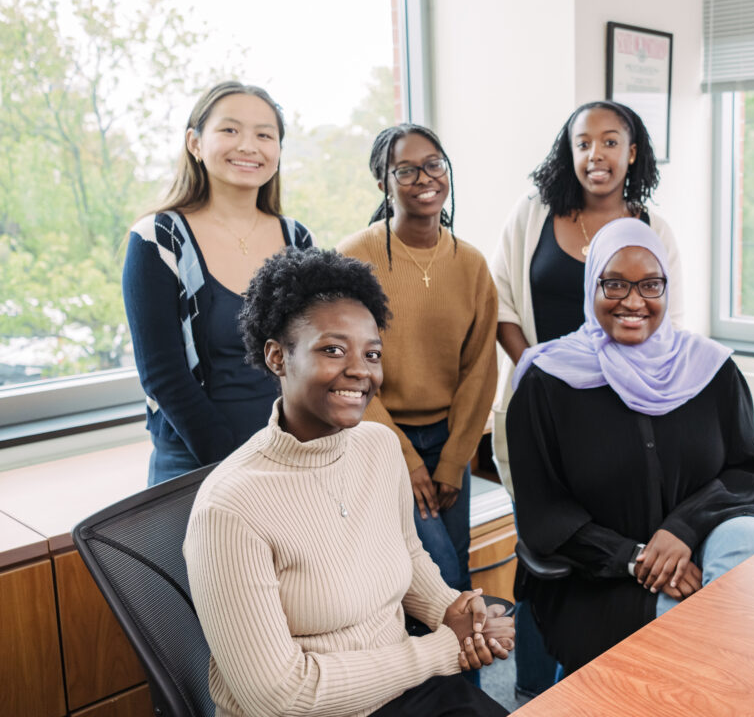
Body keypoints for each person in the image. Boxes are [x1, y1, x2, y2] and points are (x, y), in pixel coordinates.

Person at [183, 247, 511, 717]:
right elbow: (280, 697)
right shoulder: (230, 508)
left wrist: (452, 612)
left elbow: (408, 555)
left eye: (372, 353)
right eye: (333, 349)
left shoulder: (378, 446)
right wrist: (441, 650)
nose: (360, 370)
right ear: (277, 356)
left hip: (401, 692)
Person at [506, 218, 754, 675]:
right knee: (703, 633)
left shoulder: (711, 370)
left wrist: (683, 530)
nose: (633, 302)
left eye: (650, 285)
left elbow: (747, 471)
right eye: (614, 284)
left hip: (701, 551)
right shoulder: (546, 384)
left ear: (666, 289)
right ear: (591, 285)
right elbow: (546, 514)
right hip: (599, 582)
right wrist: (637, 559)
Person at [489, 101, 682, 694]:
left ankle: (594, 690)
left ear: (632, 152)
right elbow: (500, 304)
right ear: (567, 151)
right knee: (540, 551)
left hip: (617, 425)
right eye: (582, 143)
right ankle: (527, 693)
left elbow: (663, 322)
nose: (595, 155)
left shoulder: (653, 230)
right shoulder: (533, 214)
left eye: (610, 141)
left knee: (600, 554)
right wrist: (546, 378)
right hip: (537, 413)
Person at [123, 81, 313, 485]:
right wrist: (235, 466)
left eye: (265, 135)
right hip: (196, 465)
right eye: (230, 130)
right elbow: (162, 376)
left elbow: (314, 357)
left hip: (292, 457)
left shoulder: (298, 240)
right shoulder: (157, 239)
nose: (248, 145)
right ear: (194, 142)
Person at [337, 125, 498, 594]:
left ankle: (458, 671)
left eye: (434, 165)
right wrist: (404, 457)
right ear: (383, 182)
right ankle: (426, 668)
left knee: (458, 573)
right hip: (378, 440)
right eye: (406, 170)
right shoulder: (354, 258)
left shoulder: (470, 263)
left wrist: (454, 459)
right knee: (437, 576)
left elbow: (480, 368)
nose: (424, 178)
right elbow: (349, 372)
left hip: (451, 438)